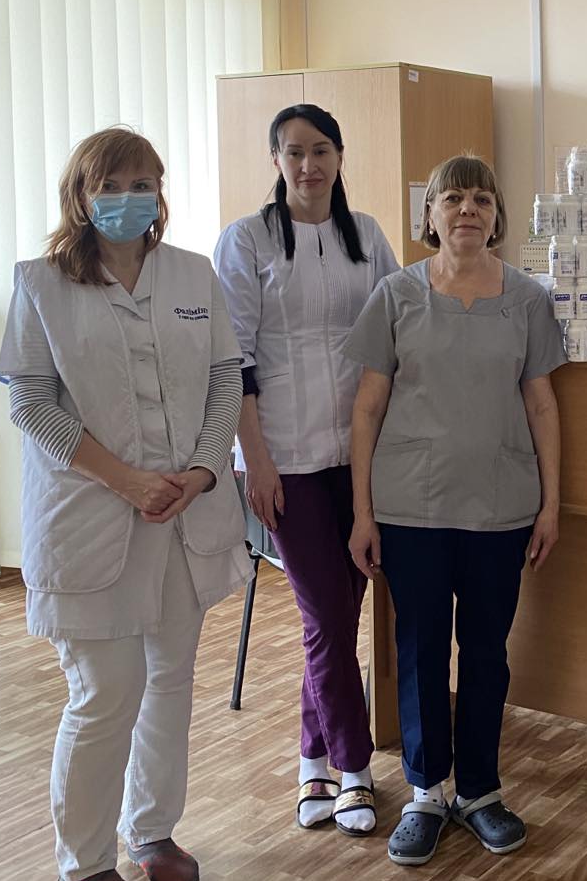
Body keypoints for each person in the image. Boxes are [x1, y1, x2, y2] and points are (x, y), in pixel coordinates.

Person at [0, 127, 250, 881]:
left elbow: (226, 380)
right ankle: (85, 863)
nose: (127, 198)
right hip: (90, 516)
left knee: (169, 680)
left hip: (184, 513)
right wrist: (126, 480)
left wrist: (201, 473)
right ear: (80, 196)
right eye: (109, 185)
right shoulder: (41, 284)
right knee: (107, 691)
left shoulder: (192, 274)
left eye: (142, 184)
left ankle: (153, 833)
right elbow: (32, 403)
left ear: (160, 193)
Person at [344, 154, 565, 866]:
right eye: (452, 199)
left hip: (501, 506)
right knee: (419, 651)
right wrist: (362, 513)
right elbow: (367, 407)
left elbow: (541, 404)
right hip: (412, 506)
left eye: (480, 199)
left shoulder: (526, 299)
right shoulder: (395, 295)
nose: (467, 210)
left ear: (496, 215)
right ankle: (425, 793)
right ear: (431, 214)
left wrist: (551, 504)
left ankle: (479, 791)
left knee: (487, 654)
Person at [214, 103, 400, 836]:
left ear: (340, 156)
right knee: (325, 616)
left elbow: (396, 328)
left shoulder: (367, 236)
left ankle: (311, 759)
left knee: (338, 619)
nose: (308, 164)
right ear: (276, 161)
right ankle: (355, 771)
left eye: (320, 150)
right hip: (283, 458)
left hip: (359, 455)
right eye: (293, 152)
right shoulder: (247, 240)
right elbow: (233, 358)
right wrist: (255, 460)